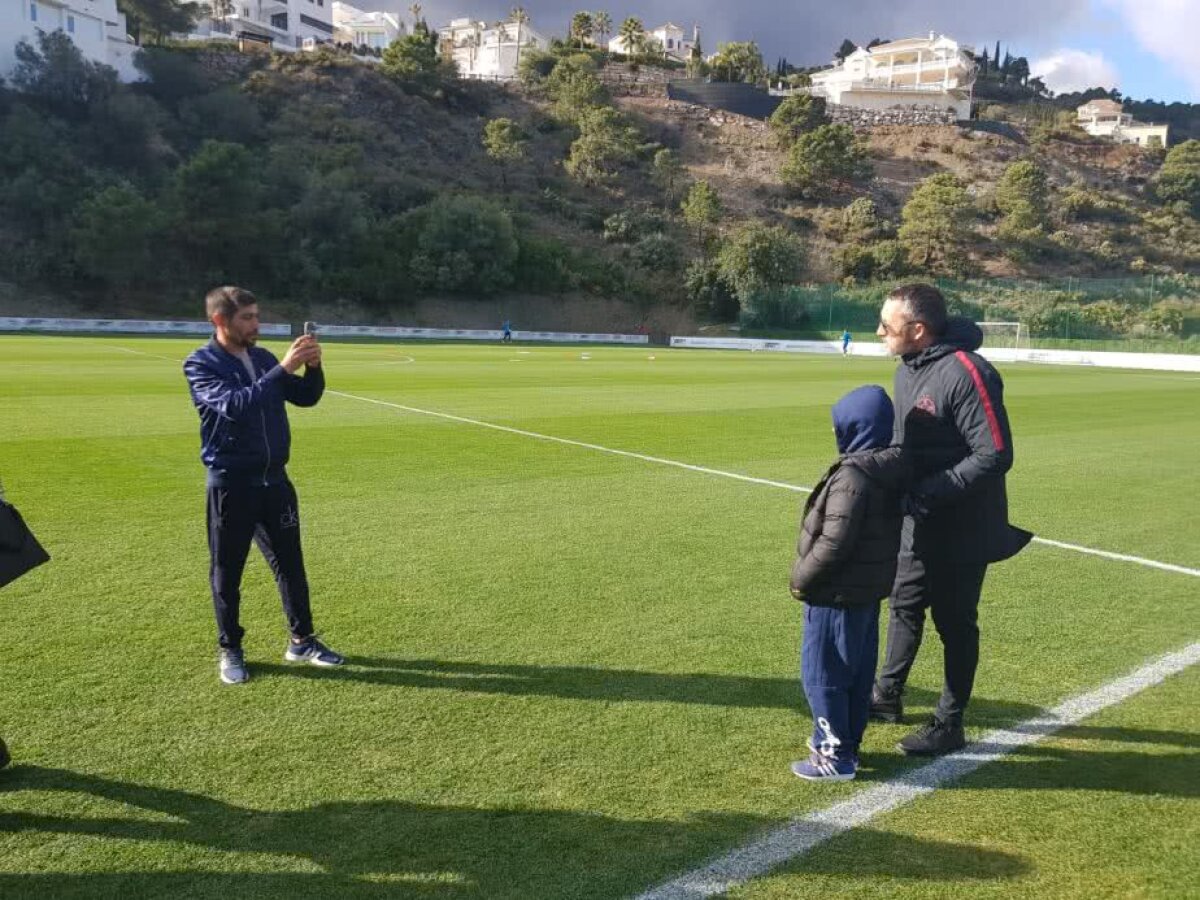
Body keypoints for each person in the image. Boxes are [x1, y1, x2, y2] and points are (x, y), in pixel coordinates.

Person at [870, 284, 1031, 756]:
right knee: (903, 604)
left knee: (955, 621)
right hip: (917, 519)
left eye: (888, 324)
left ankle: (949, 723)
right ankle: (886, 697)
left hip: (963, 526)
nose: (880, 331)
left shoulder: (967, 372)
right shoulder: (907, 370)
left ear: (917, 330)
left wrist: (933, 491)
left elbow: (996, 453)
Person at [183, 286, 345, 685]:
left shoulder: (263, 357)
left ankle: (302, 640)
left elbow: (306, 398)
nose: (257, 324)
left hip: (275, 482)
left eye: (257, 315)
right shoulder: (201, 364)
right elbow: (236, 406)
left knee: (291, 564)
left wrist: (313, 366)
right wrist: (283, 368)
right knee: (227, 571)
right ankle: (231, 649)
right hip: (231, 484)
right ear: (220, 321)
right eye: (247, 318)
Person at [789, 385, 909, 782]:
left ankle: (832, 756)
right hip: (862, 592)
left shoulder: (854, 475)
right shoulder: (886, 468)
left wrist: (801, 579)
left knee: (823, 674)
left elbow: (834, 541)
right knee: (856, 673)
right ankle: (848, 746)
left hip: (835, 592)